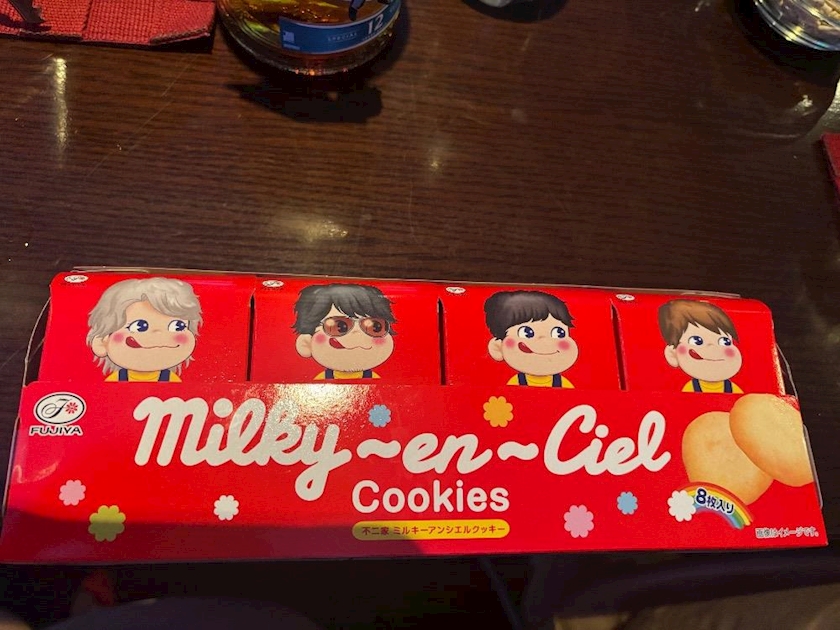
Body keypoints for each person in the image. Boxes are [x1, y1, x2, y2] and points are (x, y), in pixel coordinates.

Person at [86, 278, 202, 382]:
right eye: (139, 326)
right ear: (102, 342)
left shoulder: (171, 380)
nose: (158, 333)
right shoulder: (115, 380)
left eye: (178, 326)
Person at [293, 284, 395, 380]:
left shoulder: (376, 380)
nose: (357, 332)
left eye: (375, 327)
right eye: (340, 327)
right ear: (306, 343)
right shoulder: (319, 382)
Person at [484, 290, 578, 387]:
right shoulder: (515, 383)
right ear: (498, 348)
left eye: (559, 333)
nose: (543, 340)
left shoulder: (564, 384)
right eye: (526, 333)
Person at [658, 299, 743, 393]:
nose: (712, 347)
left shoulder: (733, 389)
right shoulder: (690, 388)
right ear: (672, 354)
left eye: (725, 341)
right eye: (696, 341)